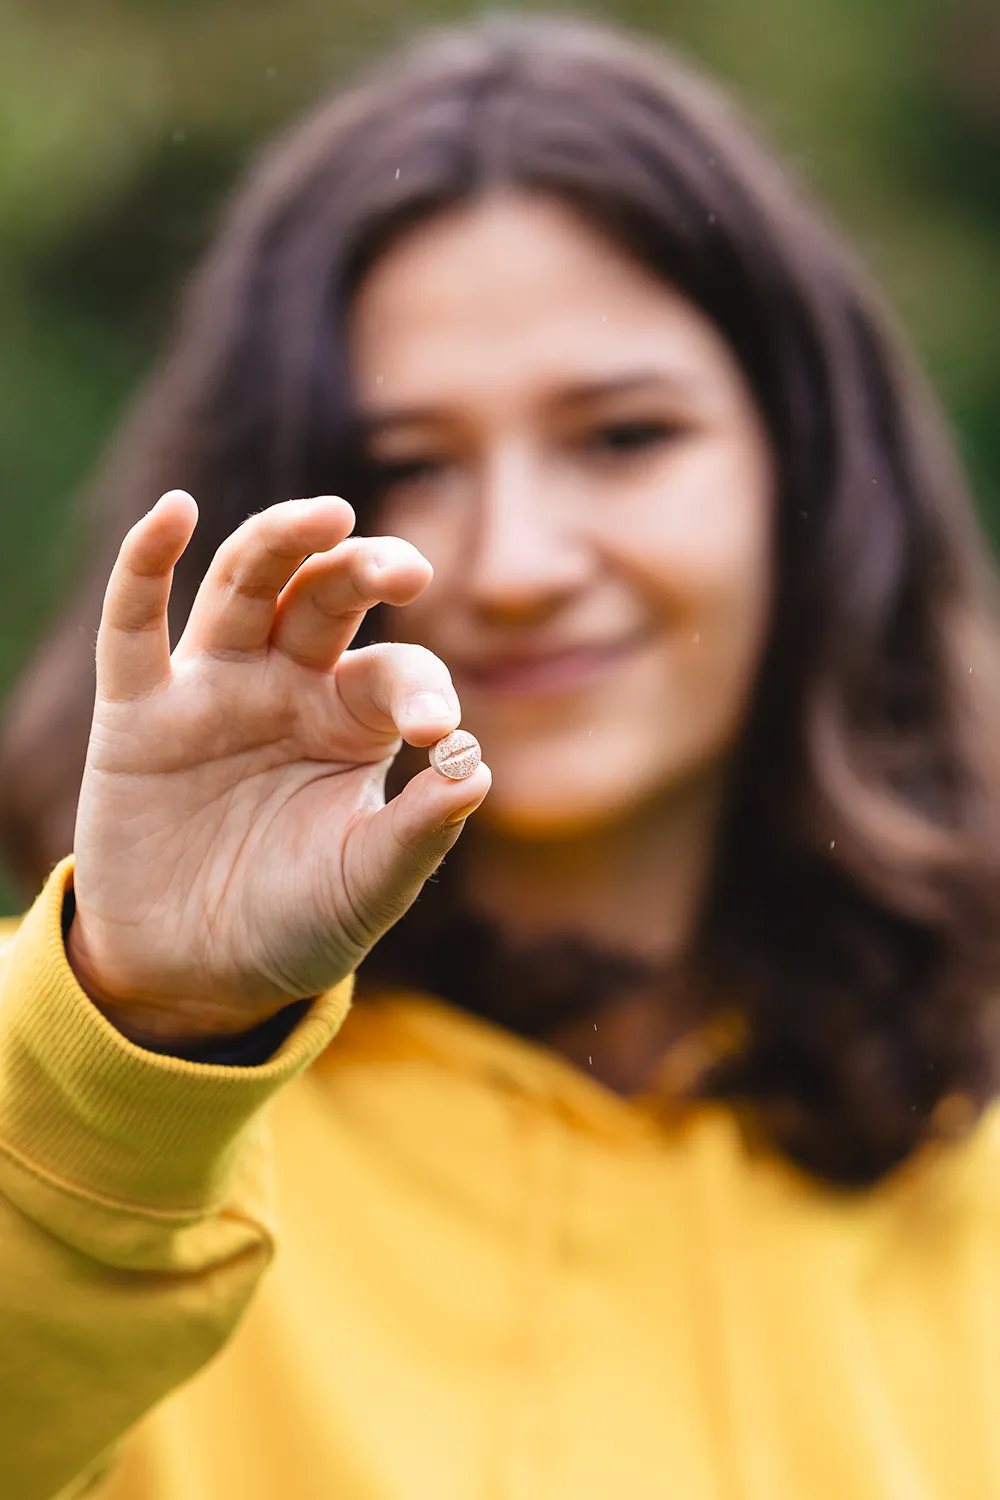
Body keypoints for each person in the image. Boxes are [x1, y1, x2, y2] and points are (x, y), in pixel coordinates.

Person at [2, 14, 1000, 1498]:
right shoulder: (102, 1106)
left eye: (622, 436)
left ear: (813, 471)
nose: (520, 563)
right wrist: (147, 1037)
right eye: (408, 464)